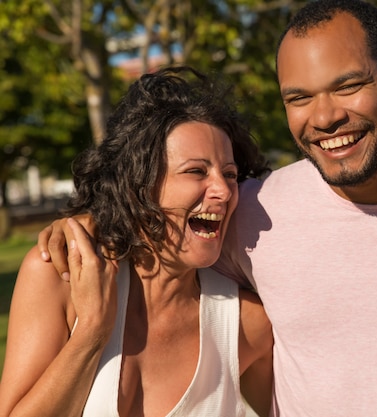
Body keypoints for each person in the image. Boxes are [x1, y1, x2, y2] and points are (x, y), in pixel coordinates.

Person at [37, 1, 377, 415]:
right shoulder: (255, 210)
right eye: (299, 98)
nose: (325, 116)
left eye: (349, 85)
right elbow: (165, 222)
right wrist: (88, 223)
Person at [0, 66, 273, 417]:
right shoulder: (60, 276)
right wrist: (92, 333)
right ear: (138, 184)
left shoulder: (248, 325)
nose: (223, 190)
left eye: (231, 174)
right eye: (196, 171)